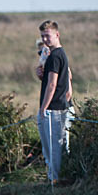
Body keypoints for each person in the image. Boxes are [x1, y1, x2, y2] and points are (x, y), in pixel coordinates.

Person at [36, 20, 72, 185]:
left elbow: (52, 84)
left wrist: (44, 107)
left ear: (57, 35)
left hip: (54, 109)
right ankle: (54, 178)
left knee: (54, 148)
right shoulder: (54, 55)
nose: (45, 39)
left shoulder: (56, 56)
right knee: (52, 147)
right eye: (42, 36)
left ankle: (56, 180)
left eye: (48, 36)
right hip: (56, 107)